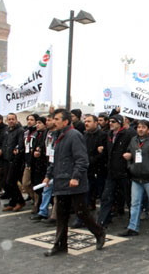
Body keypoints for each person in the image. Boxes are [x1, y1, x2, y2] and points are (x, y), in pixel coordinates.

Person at [42, 109, 105, 256]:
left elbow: (82, 160)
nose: (54, 122)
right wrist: (48, 175)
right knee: (61, 215)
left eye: (57, 119)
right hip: (61, 182)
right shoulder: (58, 136)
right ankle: (60, 245)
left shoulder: (74, 135)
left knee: (81, 212)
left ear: (65, 121)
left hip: (74, 183)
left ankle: (99, 232)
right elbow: (55, 160)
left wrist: (76, 177)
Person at [119, 120, 149, 236]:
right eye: (139, 127)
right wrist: (130, 166)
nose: (140, 129)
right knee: (135, 203)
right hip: (136, 177)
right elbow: (129, 153)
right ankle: (133, 227)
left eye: (143, 127)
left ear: (148, 129)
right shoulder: (133, 140)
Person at [98, 114, 134, 227]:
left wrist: (130, 156)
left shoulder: (128, 134)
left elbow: (135, 148)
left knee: (129, 199)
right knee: (106, 197)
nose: (110, 123)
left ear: (119, 123)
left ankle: (133, 222)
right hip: (112, 172)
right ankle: (102, 221)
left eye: (113, 121)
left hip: (124, 172)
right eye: (110, 121)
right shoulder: (109, 134)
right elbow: (109, 152)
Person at [1, 113, 25, 212]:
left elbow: (20, 144)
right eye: (9, 119)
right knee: (5, 183)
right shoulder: (7, 131)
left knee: (11, 181)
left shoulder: (20, 131)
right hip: (7, 159)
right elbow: (5, 144)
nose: (11, 121)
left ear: (16, 120)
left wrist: (17, 150)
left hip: (15, 160)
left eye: (13, 119)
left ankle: (20, 201)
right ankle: (12, 202)